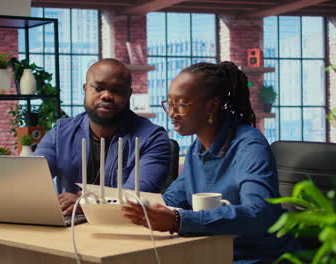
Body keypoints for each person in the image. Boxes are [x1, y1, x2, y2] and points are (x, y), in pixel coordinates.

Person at [122, 61, 298, 263]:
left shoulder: (249, 146)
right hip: (211, 251)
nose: (172, 113)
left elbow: (257, 212)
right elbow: (172, 199)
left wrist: (179, 221)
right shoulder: (197, 149)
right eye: (169, 103)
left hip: (257, 257)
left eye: (181, 103)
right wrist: (128, 207)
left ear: (211, 106)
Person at [34, 58, 171, 216]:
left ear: (129, 94)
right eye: (98, 88)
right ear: (85, 89)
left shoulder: (152, 138)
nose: (106, 95)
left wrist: (86, 204)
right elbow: (33, 179)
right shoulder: (61, 133)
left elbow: (136, 198)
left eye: (117, 90)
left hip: (125, 231)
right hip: (69, 227)